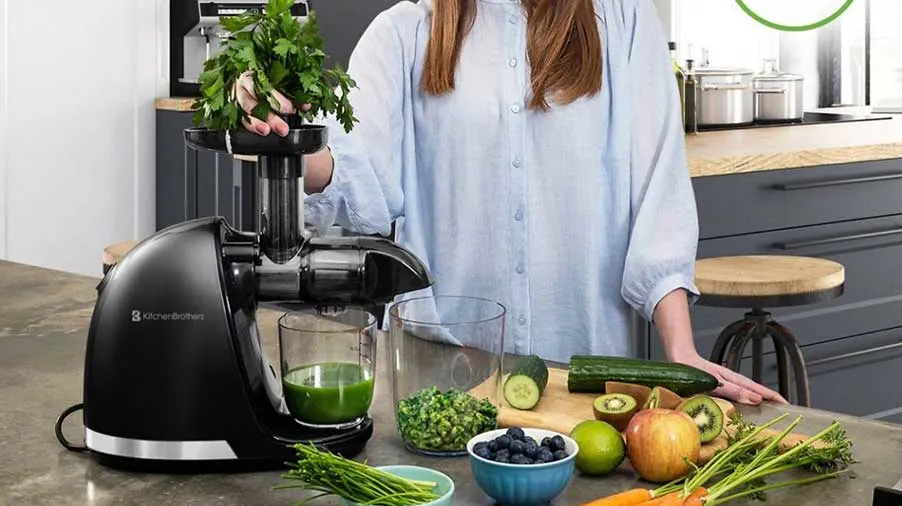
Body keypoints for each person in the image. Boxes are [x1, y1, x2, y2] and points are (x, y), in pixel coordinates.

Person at [235, 0, 786, 405]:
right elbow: (356, 180)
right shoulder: (405, 33)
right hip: (441, 372)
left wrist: (681, 351)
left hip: (585, 376)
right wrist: (287, 140)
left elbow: (658, 197)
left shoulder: (623, 22)